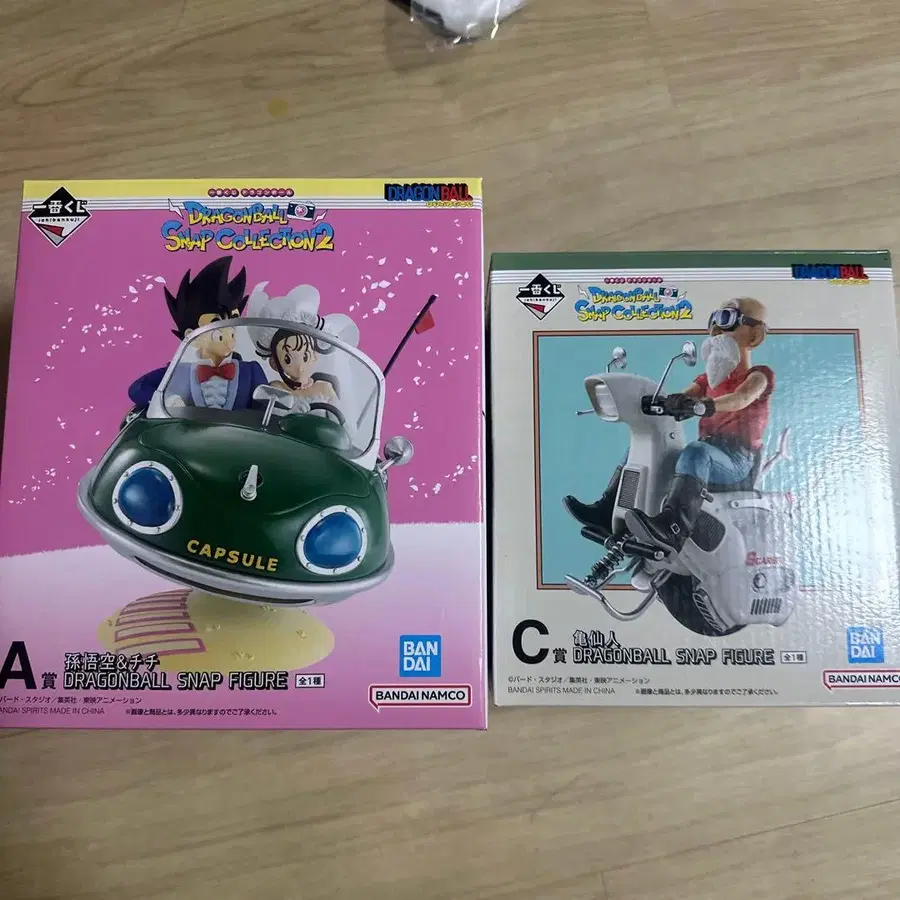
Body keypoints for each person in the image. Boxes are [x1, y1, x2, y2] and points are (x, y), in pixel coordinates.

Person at [566, 298, 774, 553]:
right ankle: (607, 509)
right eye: (714, 321)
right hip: (708, 454)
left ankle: (673, 528)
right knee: (643, 444)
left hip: (737, 463)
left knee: (696, 452)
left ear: (754, 335)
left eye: (727, 320)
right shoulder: (708, 379)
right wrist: (669, 402)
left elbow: (741, 398)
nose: (717, 330)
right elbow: (686, 394)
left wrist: (707, 405)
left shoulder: (759, 375)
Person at [127, 256, 267, 410]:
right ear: (192, 336)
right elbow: (137, 388)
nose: (229, 336)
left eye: (232, 326)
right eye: (218, 328)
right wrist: (168, 400)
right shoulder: (177, 372)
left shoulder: (251, 371)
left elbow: (267, 406)